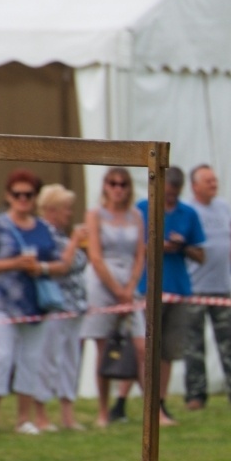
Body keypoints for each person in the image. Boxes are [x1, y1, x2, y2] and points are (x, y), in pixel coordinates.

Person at [0, 170, 67, 435]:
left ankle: (24, 419)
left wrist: (42, 268)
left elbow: (62, 264)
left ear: (36, 198)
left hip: (35, 304)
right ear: (8, 196)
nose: (23, 199)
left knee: (31, 359)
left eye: (28, 194)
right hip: (0, 302)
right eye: (17, 194)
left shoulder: (45, 228)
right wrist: (13, 263)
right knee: (1, 357)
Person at [135, 166, 205, 427]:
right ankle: (145, 403)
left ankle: (160, 402)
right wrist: (157, 245)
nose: (170, 199)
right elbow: (133, 247)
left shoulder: (189, 214)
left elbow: (201, 254)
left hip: (178, 290)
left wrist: (182, 246)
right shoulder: (141, 209)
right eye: (167, 194)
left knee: (167, 351)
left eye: (175, 194)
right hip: (147, 287)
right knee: (145, 349)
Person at [80, 167, 146, 427]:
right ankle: (102, 411)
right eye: (112, 183)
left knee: (141, 346)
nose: (118, 188)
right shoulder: (95, 214)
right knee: (104, 349)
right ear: (105, 186)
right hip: (102, 282)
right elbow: (95, 255)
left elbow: (141, 254)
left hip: (130, 281)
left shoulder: (136, 216)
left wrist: (129, 287)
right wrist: (116, 291)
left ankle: (153, 409)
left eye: (123, 184)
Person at [182, 164, 231, 411]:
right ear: (195, 186)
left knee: (230, 342)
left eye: (214, 180)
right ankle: (196, 395)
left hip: (222, 288)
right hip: (195, 289)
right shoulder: (188, 210)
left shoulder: (223, 207)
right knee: (194, 345)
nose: (214, 184)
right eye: (208, 181)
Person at [34, 185, 89, 432]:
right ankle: (41, 414)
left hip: (75, 307)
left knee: (70, 360)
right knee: (49, 359)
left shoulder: (63, 235)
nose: (70, 213)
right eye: (66, 208)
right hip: (54, 306)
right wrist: (76, 241)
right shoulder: (42, 235)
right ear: (51, 210)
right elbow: (62, 265)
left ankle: (68, 414)